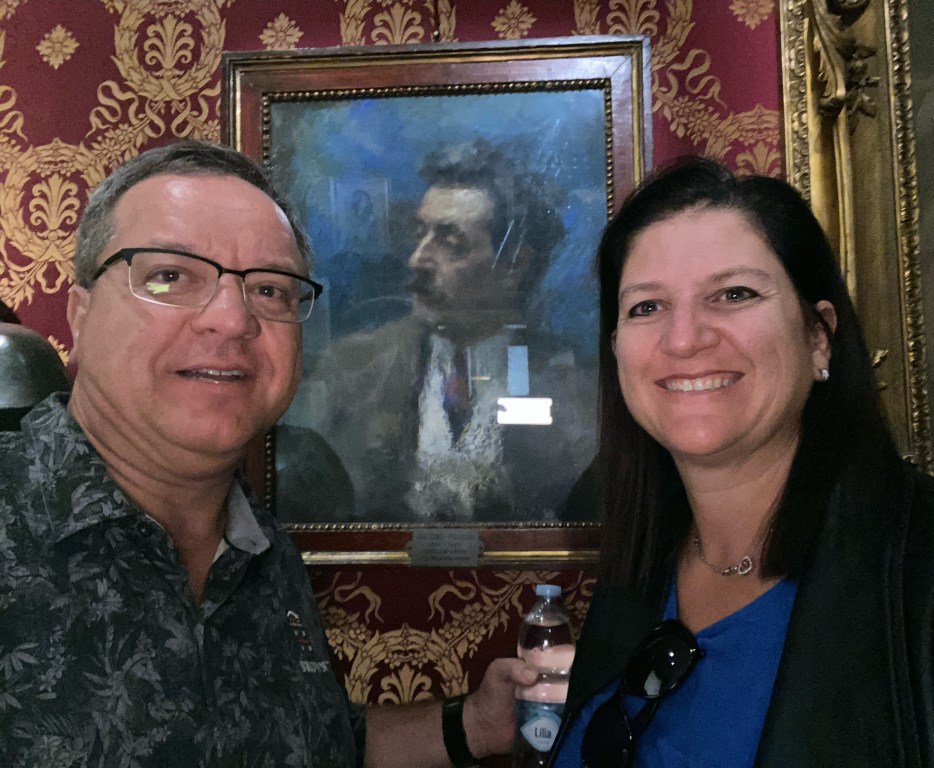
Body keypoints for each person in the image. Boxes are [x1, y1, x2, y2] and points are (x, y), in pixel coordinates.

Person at [0, 140, 534, 767]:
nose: (232, 320)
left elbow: (309, 744)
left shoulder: (264, 551)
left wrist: (473, 725)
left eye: (271, 290)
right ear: (80, 314)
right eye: (170, 276)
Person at [549, 158, 934, 766]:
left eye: (734, 294)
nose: (684, 339)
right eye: (646, 306)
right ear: (616, 349)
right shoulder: (637, 570)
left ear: (819, 336)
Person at [308, 139, 597, 522]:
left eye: (451, 243)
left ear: (515, 263)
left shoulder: (574, 385)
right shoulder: (352, 368)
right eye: (420, 234)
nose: (418, 260)